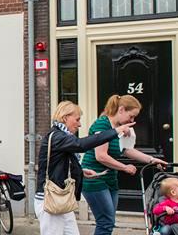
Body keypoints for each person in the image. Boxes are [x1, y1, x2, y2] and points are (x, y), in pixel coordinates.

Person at [35, 101, 130, 235]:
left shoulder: (63, 137)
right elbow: (81, 145)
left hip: (62, 198)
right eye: (77, 119)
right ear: (65, 117)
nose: (79, 124)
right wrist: (115, 131)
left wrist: (81, 172)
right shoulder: (57, 136)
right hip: (51, 200)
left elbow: (59, 164)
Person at [81, 95, 168, 235]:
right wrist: (124, 167)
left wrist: (152, 160)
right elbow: (101, 156)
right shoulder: (102, 125)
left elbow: (127, 150)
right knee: (105, 222)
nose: (132, 120)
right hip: (94, 179)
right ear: (121, 109)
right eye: (131, 116)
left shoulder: (121, 128)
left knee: (108, 222)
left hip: (110, 179)